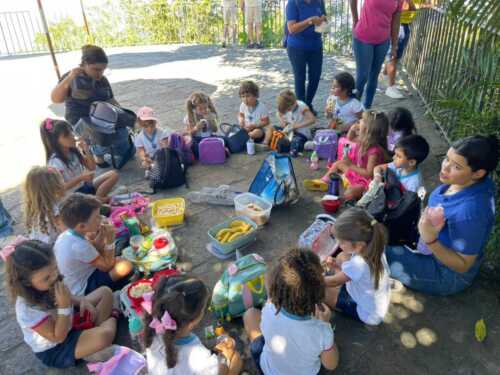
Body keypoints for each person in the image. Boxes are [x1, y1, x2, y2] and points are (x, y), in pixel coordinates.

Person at [385, 135, 499, 295]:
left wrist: (430, 239)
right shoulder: (468, 183)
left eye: (457, 167)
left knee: (375, 253)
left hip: (446, 275)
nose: (445, 168)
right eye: (447, 158)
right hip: (427, 247)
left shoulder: (471, 212)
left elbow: (463, 265)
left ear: (478, 173)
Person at [3, 239, 118, 368]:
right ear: (27, 283)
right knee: (104, 336)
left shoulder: (50, 279)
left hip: (70, 322)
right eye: (46, 278)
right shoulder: (27, 309)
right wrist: (63, 307)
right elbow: (58, 337)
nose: (54, 277)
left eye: (55, 269)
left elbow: (69, 297)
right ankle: (109, 320)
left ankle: (91, 343)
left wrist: (82, 302)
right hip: (58, 347)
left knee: (105, 292)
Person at [243, 248, 339, 375]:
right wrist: (326, 324)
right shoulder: (321, 330)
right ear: (318, 294)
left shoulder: (270, 308)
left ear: (276, 289)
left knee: (250, 314)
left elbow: (270, 289)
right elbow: (331, 365)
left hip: (268, 369)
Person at [144, 274, 243, 375]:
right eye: (204, 309)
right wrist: (224, 357)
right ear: (193, 321)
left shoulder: (153, 329)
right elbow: (217, 370)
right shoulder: (198, 357)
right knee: (236, 359)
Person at [50, 45, 122, 168]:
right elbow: (56, 99)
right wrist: (70, 78)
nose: (100, 74)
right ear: (84, 64)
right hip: (79, 118)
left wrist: (124, 115)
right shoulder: (72, 77)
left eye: (103, 70)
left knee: (121, 130)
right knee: (100, 135)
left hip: (98, 116)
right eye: (96, 69)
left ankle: (99, 149)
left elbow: (111, 100)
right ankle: (95, 154)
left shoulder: (102, 80)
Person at [54, 193, 133, 296]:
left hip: (78, 279)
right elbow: (107, 266)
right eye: (96, 217)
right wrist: (110, 241)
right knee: (126, 265)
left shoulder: (68, 235)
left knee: (119, 259)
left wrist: (101, 234)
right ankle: (116, 289)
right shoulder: (78, 245)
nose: (101, 218)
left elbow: (93, 248)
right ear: (82, 226)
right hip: (84, 289)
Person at [324, 208, 391, 325]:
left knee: (319, 290)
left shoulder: (358, 264)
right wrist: (336, 267)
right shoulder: (374, 246)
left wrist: (311, 278)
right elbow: (348, 270)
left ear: (359, 245)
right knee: (341, 256)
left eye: (341, 242)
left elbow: (333, 282)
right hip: (374, 300)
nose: (338, 244)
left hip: (367, 313)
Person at [41, 118, 118, 202]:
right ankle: (98, 202)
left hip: (84, 187)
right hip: (72, 198)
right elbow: (59, 190)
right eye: (66, 135)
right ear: (55, 141)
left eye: (70, 132)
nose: (72, 136)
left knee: (113, 174)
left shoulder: (72, 151)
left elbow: (92, 167)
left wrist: (86, 149)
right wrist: (81, 178)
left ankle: (97, 200)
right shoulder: (55, 163)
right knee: (110, 199)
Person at [322, 110, 389, 200]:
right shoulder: (364, 140)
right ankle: (324, 182)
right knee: (338, 163)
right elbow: (350, 138)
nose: (359, 121)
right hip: (357, 173)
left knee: (349, 194)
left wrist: (350, 165)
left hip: (366, 181)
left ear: (367, 129)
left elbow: (369, 174)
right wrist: (352, 129)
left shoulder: (374, 151)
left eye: (362, 120)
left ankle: (346, 187)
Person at [350, 0, 402, 108]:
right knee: (363, 76)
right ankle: (352, 110)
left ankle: (366, 109)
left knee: (374, 75)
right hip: (363, 37)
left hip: (383, 41)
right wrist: (355, 20)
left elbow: (396, 21)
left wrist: (394, 45)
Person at [285, 0, 327, 114]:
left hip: (316, 46)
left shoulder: (319, 1)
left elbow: (324, 17)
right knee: (300, 78)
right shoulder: (293, 3)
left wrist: (323, 19)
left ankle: (307, 104)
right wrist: (309, 21)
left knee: (315, 77)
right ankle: (301, 109)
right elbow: (292, 29)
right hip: (296, 47)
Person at [384, 0, 432, 99]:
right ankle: (391, 87)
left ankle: (386, 71)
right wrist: (418, 5)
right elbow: (404, 7)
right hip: (399, 24)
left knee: (396, 55)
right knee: (393, 56)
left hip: (404, 25)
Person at [23, 166, 66, 244]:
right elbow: (67, 232)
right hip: (51, 250)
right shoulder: (52, 209)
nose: (63, 182)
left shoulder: (35, 207)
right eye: (61, 180)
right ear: (54, 187)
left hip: (39, 248)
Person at [267, 89, 316, 157]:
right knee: (271, 128)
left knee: (295, 144)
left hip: (301, 133)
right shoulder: (285, 107)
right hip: (290, 131)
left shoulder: (301, 106)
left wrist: (296, 126)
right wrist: (283, 122)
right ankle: (266, 143)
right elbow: (278, 114)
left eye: (289, 109)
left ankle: (305, 145)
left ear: (293, 103)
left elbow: (312, 119)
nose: (288, 111)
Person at [134, 106, 171, 176]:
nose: (149, 128)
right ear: (141, 125)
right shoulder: (139, 137)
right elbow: (141, 150)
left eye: (152, 125)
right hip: (150, 157)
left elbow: (166, 148)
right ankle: (153, 168)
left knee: (166, 160)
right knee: (144, 163)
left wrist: (163, 145)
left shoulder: (162, 132)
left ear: (155, 123)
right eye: (146, 126)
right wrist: (144, 157)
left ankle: (154, 169)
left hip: (162, 156)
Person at [184, 92, 220, 159]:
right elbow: (188, 134)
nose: (204, 111)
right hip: (197, 140)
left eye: (205, 108)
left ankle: (213, 151)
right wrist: (195, 128)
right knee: (195, 147)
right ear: (194, 109)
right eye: (200, 109)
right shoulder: (189, 118)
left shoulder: (210, 114)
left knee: (222, 140)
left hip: (209, 138)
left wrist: (210, 121)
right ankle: (211, 152)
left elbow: (215, 130)